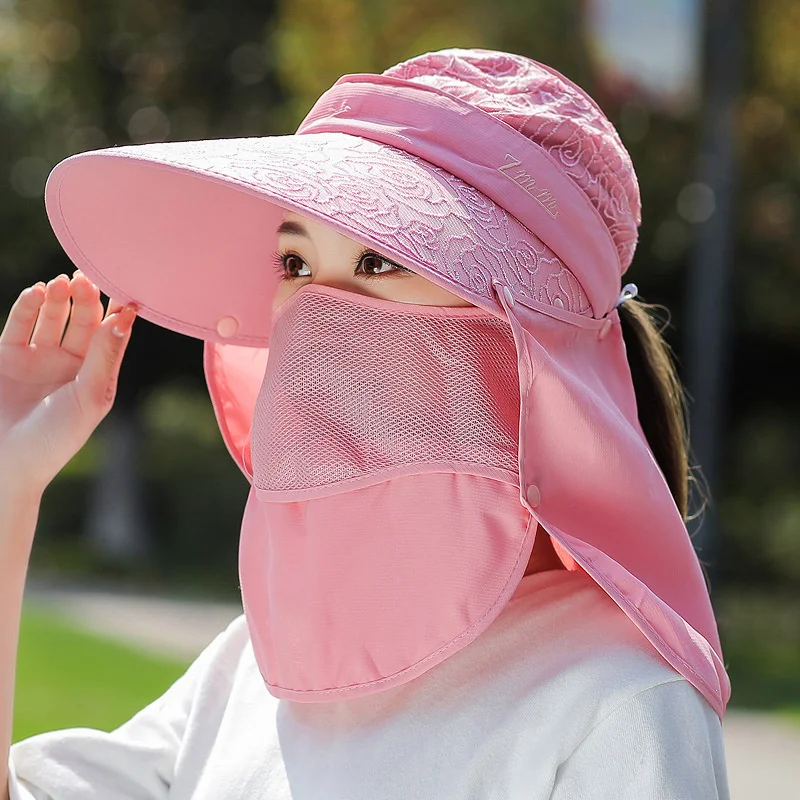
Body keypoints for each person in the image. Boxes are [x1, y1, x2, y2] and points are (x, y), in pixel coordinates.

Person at [1, 48, 731, 798]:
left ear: (526, 332)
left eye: (381, 259)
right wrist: (11, 482)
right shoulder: (256, 667)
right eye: (294, 263)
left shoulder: (615, 704)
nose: (319, 308)